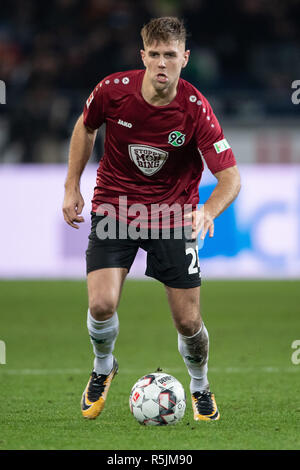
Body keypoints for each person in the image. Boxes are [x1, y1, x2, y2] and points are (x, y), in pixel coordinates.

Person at [62, 16, 241, 422]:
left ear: (185, 58)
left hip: (173, 215)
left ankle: (199, 385)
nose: (162, 64)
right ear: (143, 56)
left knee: (189, 320)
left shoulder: (195, 109)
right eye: (155, 55)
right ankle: (103, 366)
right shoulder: (112, 91)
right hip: (116, 206)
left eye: (171, 56)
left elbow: (230, 176)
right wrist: (72, 185)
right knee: (102, 303)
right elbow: (85, 127)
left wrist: (208, 210)